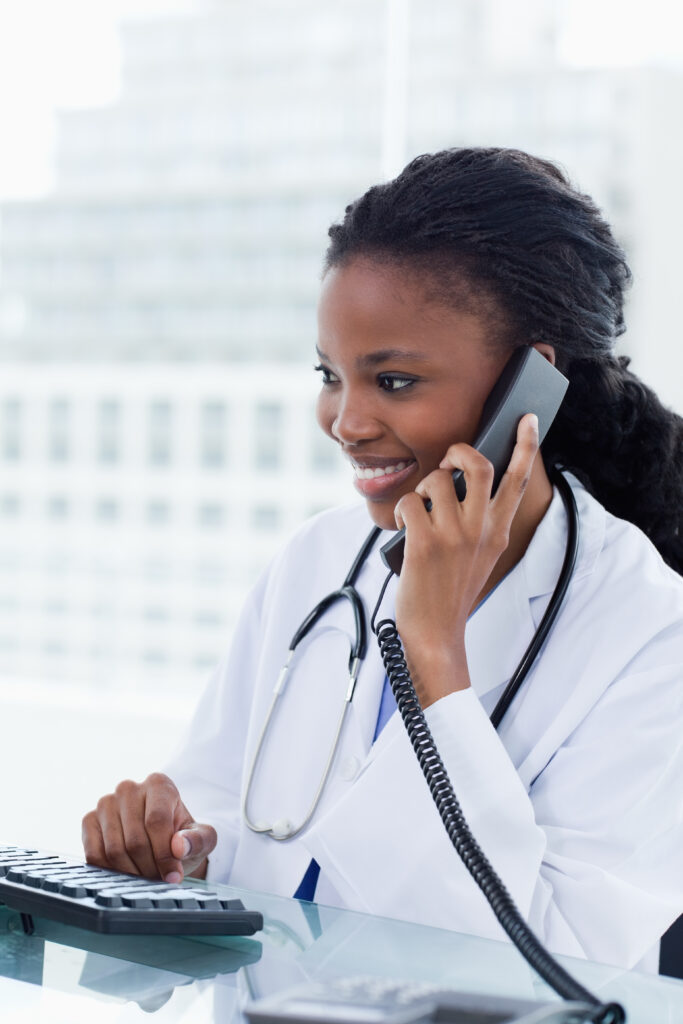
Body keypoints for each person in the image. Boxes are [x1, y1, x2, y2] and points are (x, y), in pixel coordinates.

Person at [82, 148, 683, 972]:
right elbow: (222, 816)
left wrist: (431, 651)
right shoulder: (319, 560)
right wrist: (172, 844)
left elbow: (562, 967)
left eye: (393, 381)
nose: (345, 421)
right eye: (330, 375)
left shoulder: (651, 632)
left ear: (529, 388)